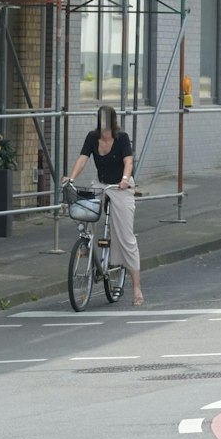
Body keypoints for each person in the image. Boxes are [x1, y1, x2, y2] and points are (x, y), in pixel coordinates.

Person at [65, 105, 144, 305]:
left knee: (126, 237)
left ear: (113, 122)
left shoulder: (122, 138)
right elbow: (83, 160)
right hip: (101, 185)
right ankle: (88, 245)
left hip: (120, 187)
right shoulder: (92, 138)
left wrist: (125, 178)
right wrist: (71, 179)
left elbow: (128, 162)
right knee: (84, 210)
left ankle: (136, 289)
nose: (103, 126)